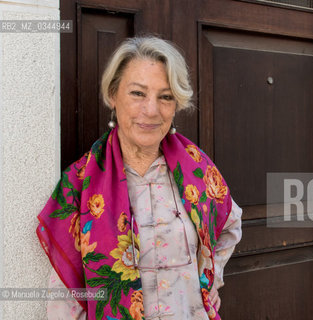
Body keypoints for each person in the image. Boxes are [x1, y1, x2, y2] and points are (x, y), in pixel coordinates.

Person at [36, 36, 242, 320]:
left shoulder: (196, 169)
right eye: (138, 93)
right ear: (112, 94)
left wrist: (209, 280)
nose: (152, 110)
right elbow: (65, 299)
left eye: (165, 96)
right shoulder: (80, 184)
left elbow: (230, 224)